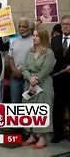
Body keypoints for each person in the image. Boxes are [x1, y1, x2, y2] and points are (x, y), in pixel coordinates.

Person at [21, 27, 55, 149]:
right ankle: (31, 135)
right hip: (29, 85)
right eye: (33, 35)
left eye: (37, 36)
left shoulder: (49, 53)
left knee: (41, 110)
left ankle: (42, 137)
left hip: (43, 85)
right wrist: (30, 79)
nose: (34, 38)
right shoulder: (29, 51)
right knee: (29, 109)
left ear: (43, 38)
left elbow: (46, 69)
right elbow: (23, 68)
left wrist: (36, 79)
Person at [50, 15, 70, 143]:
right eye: (63, 24)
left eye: (68, 24)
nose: (65, 26)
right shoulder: (55, 40)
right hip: (58, 79)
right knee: (58, 107)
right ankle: (58, 134)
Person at [8, 18, 34, 103]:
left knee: (29, 102)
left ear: (29, 28)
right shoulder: (14, 41)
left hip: (30, 78)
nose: (21, 29)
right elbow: (10, 57)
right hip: (15, 77)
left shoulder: (34, 41)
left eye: (24, 27)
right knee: (15, 102)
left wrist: (24, 72)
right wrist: (14, 70)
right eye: (19, 26)